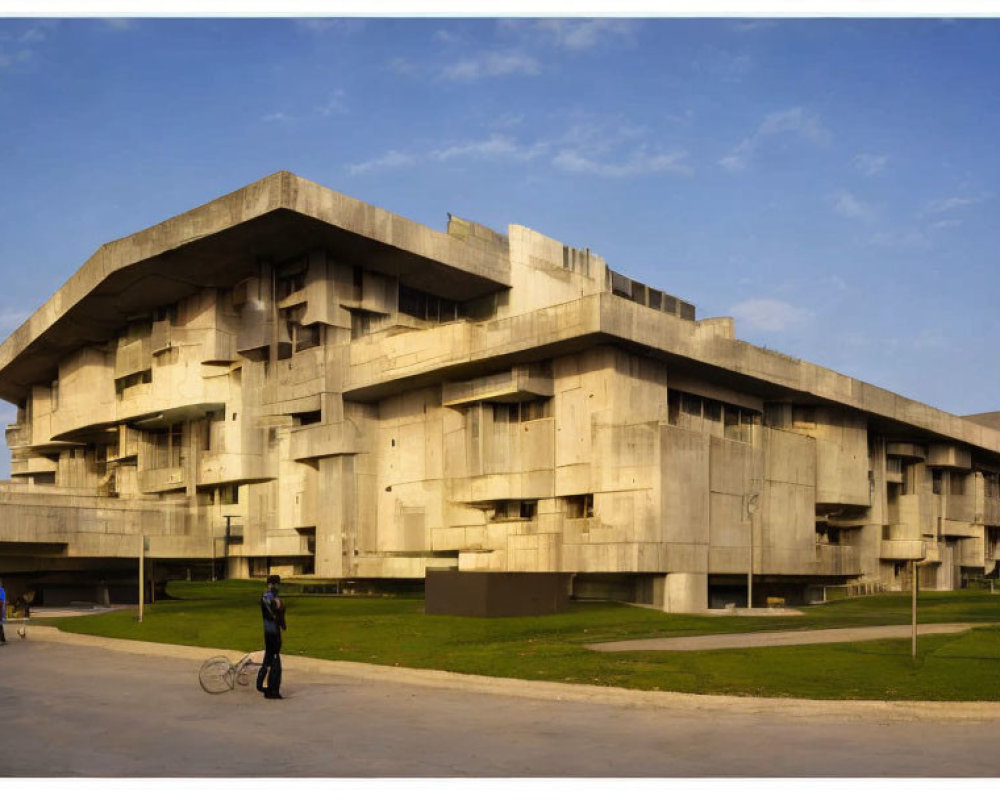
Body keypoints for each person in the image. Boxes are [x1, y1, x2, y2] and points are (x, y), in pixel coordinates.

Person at [256, 575, 286, 699]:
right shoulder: (267, 597)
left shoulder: (272, 597)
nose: (276, 587)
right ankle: (272, 689)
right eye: (274, 584)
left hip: (274, 631)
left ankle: (263, 686)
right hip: (271, 632)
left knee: (269, 659)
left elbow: (280, 614)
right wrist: (278, 607)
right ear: (270, 585)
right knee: (274, 661)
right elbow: (273, 613)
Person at [0, 578, 7, 645]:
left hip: (0, 610)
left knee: (0, 625)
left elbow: (2, 602)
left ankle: (2, 639)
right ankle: (2, 639)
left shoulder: (1, 590)